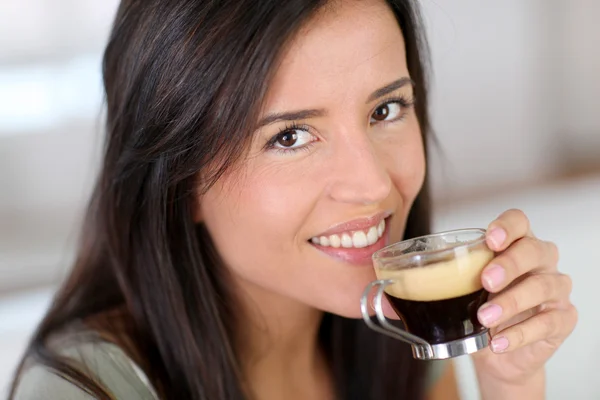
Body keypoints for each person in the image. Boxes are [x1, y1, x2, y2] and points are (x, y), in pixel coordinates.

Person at [9, 0, 577, 399]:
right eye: (289, 136)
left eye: (385, 110)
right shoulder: (82, 393)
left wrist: (511, 384)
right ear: (180, 184)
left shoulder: (400, 342)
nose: (374, 185)